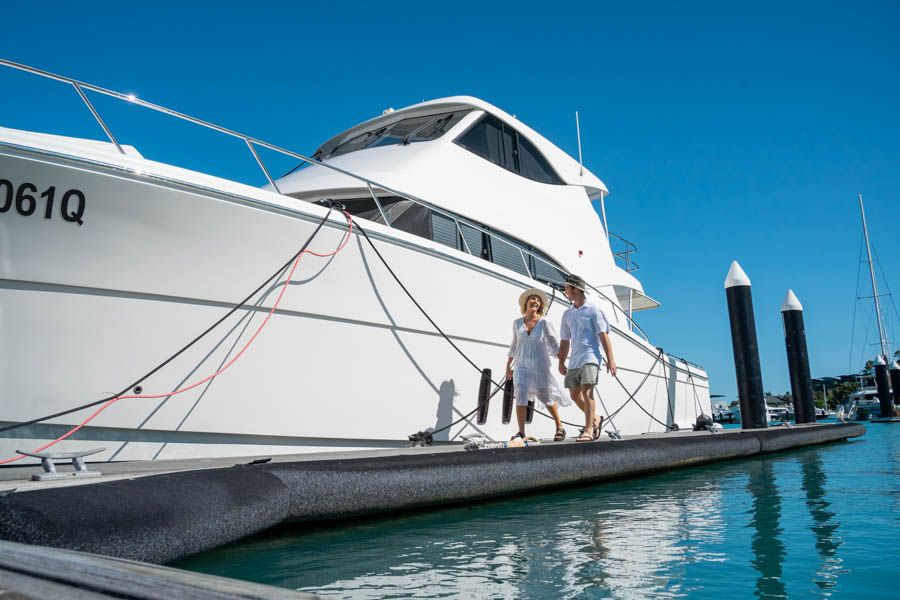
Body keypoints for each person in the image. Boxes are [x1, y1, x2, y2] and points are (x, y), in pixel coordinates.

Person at [505, 288, 571, 441]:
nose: (535, 301)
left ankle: (559, 426)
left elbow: (555, 346)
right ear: (526, 303)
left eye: (538, 300)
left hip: (539, 365)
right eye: (532, 299)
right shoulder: (516, 323)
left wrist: (562, 362)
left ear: (540, 305)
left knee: (544, 395)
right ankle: (521, 432)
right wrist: (508, 366)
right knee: (520, 393)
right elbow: (514, 345)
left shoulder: (544, 323)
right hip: (521, 364)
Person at [558, 274, 617, 442]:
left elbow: (603, 336)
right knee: (574, 394)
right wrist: (561, 361)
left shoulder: (593, 310)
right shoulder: (567, 314)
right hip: (575, 359)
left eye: (567, 288)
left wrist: (611, 359)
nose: (565, 291)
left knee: (587, 390)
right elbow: (564, 340)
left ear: (576, 289)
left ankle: (588, 430)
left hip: (591, 356)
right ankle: (596, 419)